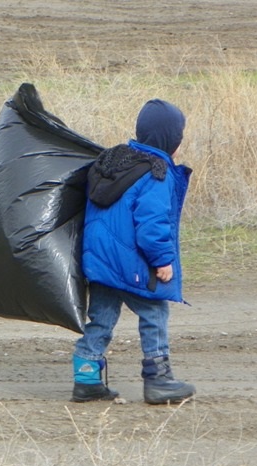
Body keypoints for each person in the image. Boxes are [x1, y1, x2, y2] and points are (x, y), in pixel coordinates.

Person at [71, 99, 195, 405]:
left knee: (101, 317)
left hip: (101, 262)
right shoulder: (156, 172)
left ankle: (86, 378)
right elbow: (152, 225)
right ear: (169, 139)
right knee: (154, 311)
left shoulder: (114, 161)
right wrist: (162, 261)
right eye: (179, 136)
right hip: (131, 264)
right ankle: (158, 379)